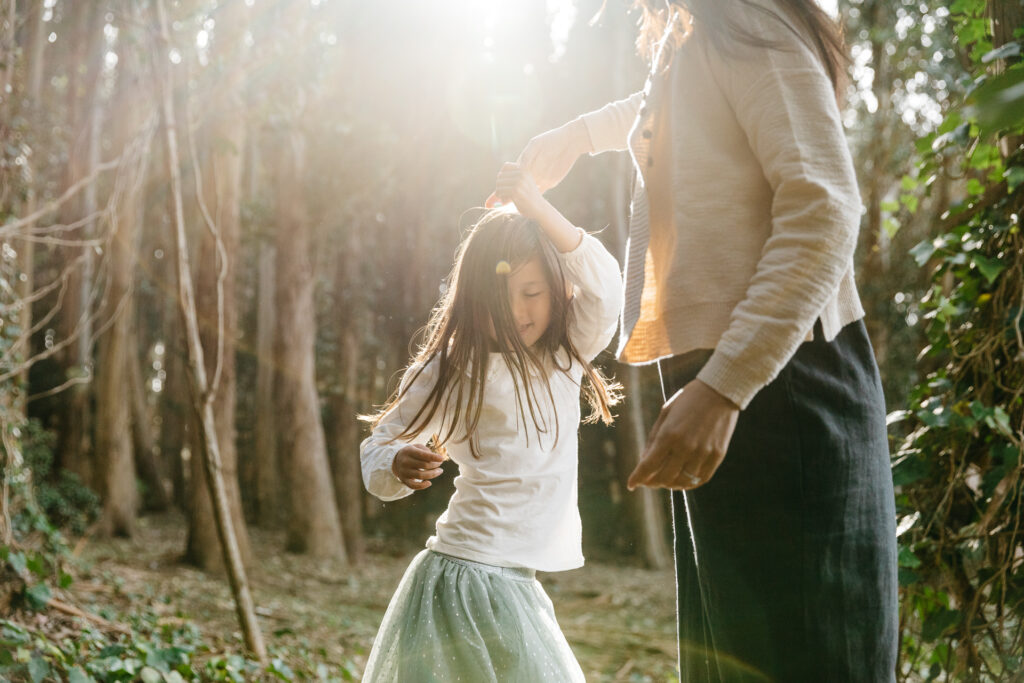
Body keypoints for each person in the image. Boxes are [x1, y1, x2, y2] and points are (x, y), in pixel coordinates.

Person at [498, 0, 898, 680]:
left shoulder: (750, 21)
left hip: (782, 385)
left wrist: (722, 387)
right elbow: (677, 106)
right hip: (732, 383)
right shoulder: (697, 35)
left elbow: (826, 208)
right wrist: (578, 135)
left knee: (815, 656)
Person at [358, 164, 622, 682]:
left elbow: (608, 288)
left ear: (558, 291)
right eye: (501, 294)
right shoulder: (452, 368)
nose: (517, 310)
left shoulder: (564, 357)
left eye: (532, 292)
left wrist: (538, 209)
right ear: (474, 296)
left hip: (514, 582)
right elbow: (379, 447)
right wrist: (394, 458)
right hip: (467, 576)